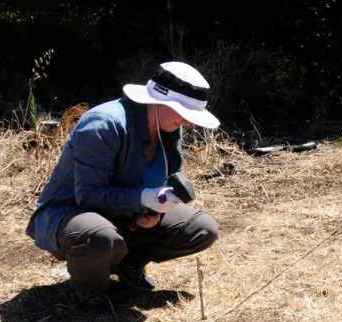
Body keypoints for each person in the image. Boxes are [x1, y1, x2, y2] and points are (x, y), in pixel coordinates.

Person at [26, 61, 220, 307]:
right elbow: (88, 196)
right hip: (69, 213)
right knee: (99, 236)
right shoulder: (103, 125)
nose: (188, 123)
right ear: (159, 101)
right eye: (183, 114)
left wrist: (154, 213)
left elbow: (166, 182)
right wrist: (142, 199)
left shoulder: (169, 128)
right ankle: (88, 291)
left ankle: (128, 263)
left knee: (201, 228)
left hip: (123, 213)